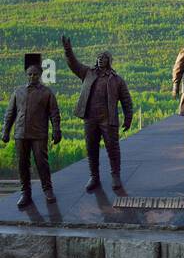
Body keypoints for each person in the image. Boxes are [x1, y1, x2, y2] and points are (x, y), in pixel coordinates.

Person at [61, 36, 133, 191]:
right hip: (90, 118)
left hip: (108, 118)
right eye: (99, 57)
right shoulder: (87, 73)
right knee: (91, 148)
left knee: (112, 148)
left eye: (104, 57)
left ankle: (115, 175)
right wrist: (68, 50)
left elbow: (126, 100)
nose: (101, 59)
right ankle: (94, 176)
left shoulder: (117, 80)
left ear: (109, 61)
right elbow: (73, 64)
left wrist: (128, 118)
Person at [2, 65, 62, 207]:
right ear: (26, 75)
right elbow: (10, 114)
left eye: (35, 74)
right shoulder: (18, 91)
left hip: (39, 134)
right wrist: (5, 131)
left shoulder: (47, 93)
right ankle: (25, 193)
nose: (32, 77)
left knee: (42, 163)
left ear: (40, 75)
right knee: (22, 164)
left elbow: (54, 114)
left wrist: (56, 130)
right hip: (21, 134)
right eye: (29, 74)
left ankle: (48, 190)